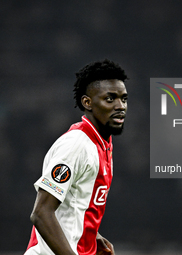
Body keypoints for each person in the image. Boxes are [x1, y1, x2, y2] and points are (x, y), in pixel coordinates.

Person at [24, 59, 128, 255]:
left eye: (124, 99)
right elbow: (41, 213)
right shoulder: (76, 145)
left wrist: (92, 238)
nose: (120, 106)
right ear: (87, 102)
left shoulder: (102, 145)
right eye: (110, 99)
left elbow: (75, 204)